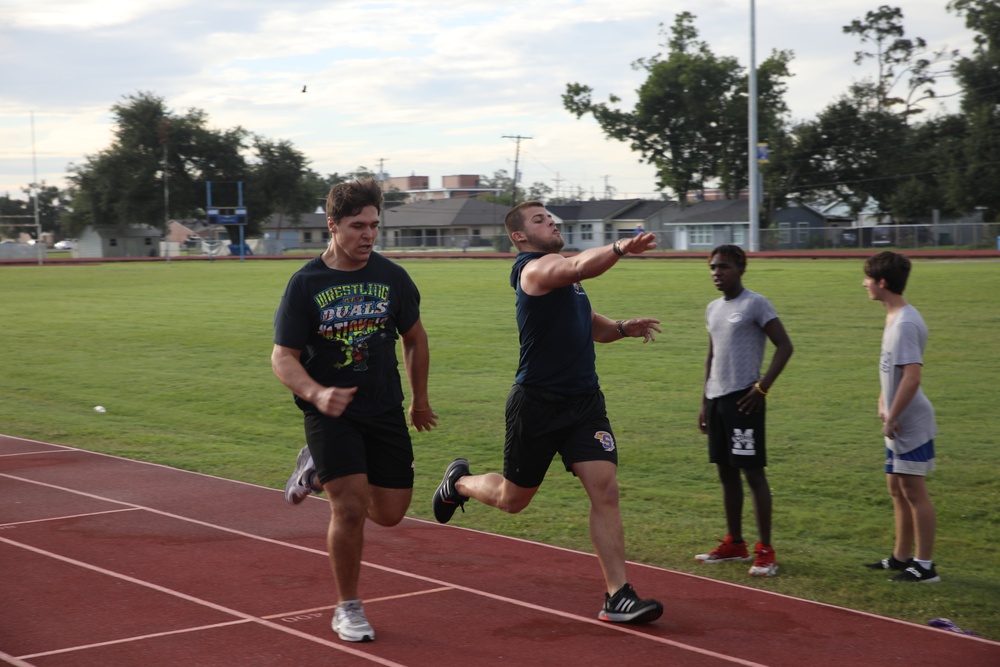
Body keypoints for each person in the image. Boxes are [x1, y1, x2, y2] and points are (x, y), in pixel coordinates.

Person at [432, 200, 664, 624]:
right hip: (537, 404)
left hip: (583, 403)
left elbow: (588, 322)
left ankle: (618, 595)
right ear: (519, 236)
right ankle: (459, 482)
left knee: (605, 489)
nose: (551, 222)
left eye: (550, 217)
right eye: (540, 219)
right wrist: (620, 249)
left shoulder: (565, 279)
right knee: (512, 500)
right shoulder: (534, 270)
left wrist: (621, 328)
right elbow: (577, 268)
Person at [271, 178, 438, 642]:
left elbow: (415, 339)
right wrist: (317, 394)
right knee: (348, 509)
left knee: (389, 512)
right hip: (330, 412)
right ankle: (347, 607)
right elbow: (282, 356)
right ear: (332, 225)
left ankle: (316, 470)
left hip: (384, 407)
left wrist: (419, 399)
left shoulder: (393, 278)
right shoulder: (305, 284)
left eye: (374, 225)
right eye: (357, 226)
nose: (368, 235)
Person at [695, 244, 793, 577]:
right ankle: (734, 543)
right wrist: (705, 402)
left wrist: (762, 387)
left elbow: (785, 346)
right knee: (725, 473)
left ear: (741, 268)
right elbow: (712, 356)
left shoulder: (755, 304)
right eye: (712, 268)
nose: (716, 273)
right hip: (718, 401)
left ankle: (765, 550)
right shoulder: (712, 308)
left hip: (744, 400)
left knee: (752, 474)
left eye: (722, 267)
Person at [861, 251, 939, 583]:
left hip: (910, 422)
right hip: (896, 420)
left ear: (882, 282)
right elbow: (890, 371)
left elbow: (912, 376)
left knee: (913, 491)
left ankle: (925, 565)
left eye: (867, 278)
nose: (863, 283)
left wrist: (892, 415)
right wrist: (883, 398)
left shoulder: (906, 322)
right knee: (896, 487)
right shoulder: (893, 315)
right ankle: (901, 557)